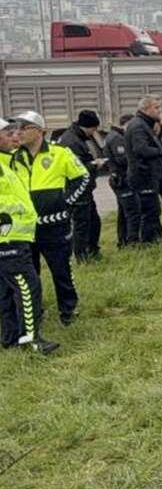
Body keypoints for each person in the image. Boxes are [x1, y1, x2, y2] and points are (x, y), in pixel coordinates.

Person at [10, 111, 89, 326]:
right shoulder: (14, 157)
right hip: (25, 228)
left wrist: (67, 202)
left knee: (61, 270)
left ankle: (69, 310)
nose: (18, 133)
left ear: (39, 131)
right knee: (30, 274)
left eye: (23, 128)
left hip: (55, 226)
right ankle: (36, 313)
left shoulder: (60, 153)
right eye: (16, 128)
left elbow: (83, 177)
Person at [0, 117, 58, 354]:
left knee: (5, 291)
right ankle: (31, 339)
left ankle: (11, 338)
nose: (15, 136)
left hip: (14, 236)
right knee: (27, 287)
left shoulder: (7, 162)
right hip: (8, 237)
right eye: (7, 132)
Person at [58, 110, 107, 261]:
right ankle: (82, 256)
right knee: (82, 224)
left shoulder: (83, 137)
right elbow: (75, 168)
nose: (95, 132)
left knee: (93, 221)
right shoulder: (71, 141)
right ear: (86, 126)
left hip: (85, 188)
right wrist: (94, 164)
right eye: (93, 128)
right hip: (76, 189)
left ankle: (92, 250)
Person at [124, 97, 162, 244]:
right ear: (146, 109)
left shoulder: (144, 124)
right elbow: (141, 149)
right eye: (156, 107)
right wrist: (160, 151)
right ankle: (149, 243)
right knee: (149, 210)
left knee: (153, 209)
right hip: (142, 175)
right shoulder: (138, 126)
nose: (159, 111)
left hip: (148, 175)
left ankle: (154, 239)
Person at [102, 115, 138, 248]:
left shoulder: (113, 136)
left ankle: (123, 241)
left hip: (118, 178)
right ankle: (132, 242)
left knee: (123, 212)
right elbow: (122, 159)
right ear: (126, 124)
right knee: (132, 212)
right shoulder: (117, 138)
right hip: (122, 179)